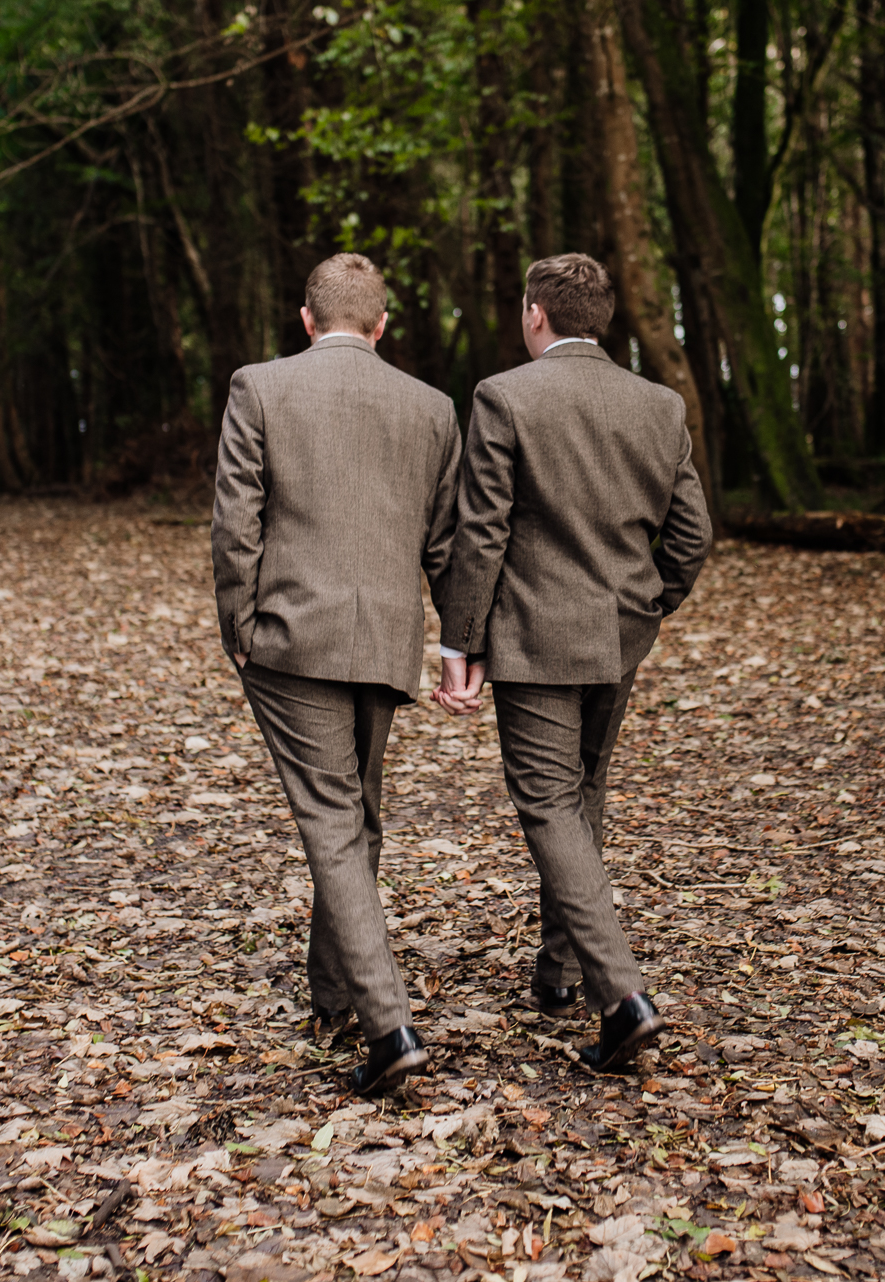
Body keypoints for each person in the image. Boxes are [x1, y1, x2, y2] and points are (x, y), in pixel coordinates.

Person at [434, 252, 711, 1074]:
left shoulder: (504, 396)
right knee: (582, 793)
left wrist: (462, 643)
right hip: (620, 635)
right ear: (604, 319)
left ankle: (621, 994)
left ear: (535, 315)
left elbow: (481, 531)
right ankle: (558, 975)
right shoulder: (658, 405)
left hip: (537, 638)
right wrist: (650, 602)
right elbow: (692, 535)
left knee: (549, 802)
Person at [212, 252, 462, 1098]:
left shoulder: (260, 387)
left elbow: (235, 519)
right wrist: (456, 640)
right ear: (382, 324)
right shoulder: (430, 407)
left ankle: (388, 1024)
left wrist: (237, 628)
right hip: (384, 643)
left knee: (335, 821)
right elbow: (445, 545)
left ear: (308, 319)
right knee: (357, 815)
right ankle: (332, 995)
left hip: (291, 638)